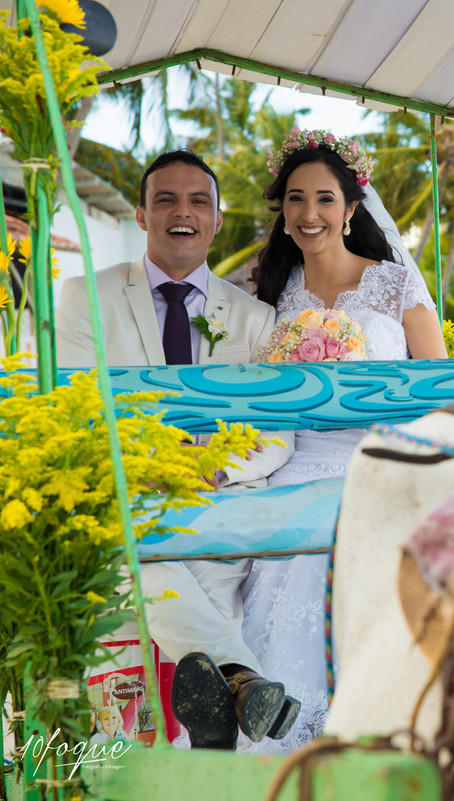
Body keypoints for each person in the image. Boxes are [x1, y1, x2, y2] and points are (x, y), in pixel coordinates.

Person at [56, 151, 300, 750]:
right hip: (127, 495)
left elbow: (277, 434)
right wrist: (142, 470)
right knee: (139, 547)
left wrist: (207, 467)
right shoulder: (85, 297)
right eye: (165, 199)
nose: (181, 212)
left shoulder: (255, 318)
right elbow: (76, 410)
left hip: (216, 501)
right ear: (142, 215)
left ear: (217, 219)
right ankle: (240, 681)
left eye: (198, 201)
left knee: (196, 576)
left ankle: (215, 715)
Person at [237, 130, 446, 753]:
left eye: (325, 199)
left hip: (378, 465)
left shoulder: (395, 285)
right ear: (283, 210)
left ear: (352, 207)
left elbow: (437, 389)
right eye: (296, 199)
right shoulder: (270, 294)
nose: (310, 214)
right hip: (293, 467)